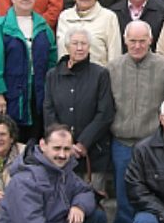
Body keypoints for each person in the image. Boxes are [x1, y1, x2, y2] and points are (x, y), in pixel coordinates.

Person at [108, 21, 164, 223]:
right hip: (122, 141)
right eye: (132, 41)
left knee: (156, 195)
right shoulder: (113, 67)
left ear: (150, 40)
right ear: (125, 40)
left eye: (142, 41)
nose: (137, 45)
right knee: (125, 196)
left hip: (154, 143)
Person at [0, 0, 58, 143]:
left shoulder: (43, 26)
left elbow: (52, 60)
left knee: (36, 140)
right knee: (11, 140)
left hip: (38, 94)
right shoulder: (1, 26)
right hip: (10, 95)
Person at [43, 27, 114, 194]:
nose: (80, 48)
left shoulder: (100, 74)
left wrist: (82, 144)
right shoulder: (53, 75)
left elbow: (105, 113)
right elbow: (48, 109)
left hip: (93, 153)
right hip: (61, 153)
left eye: (84, 44)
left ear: (89, 47)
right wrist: (64, 144)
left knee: (92, 202)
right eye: (75, 43)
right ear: (67, 46)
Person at [56, 0, 122, 66]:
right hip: (68, 76)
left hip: (98, 77)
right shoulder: (64, 17)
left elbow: (114, 54)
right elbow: (61, 52)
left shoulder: (109, 17)